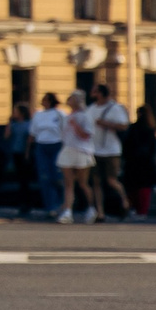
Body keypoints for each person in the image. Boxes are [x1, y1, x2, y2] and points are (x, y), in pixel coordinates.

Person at [90, 81, 131, 220]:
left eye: (95, 91)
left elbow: (124, 126)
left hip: (111, 151)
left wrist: (105, 123)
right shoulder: (92, 108)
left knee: (111, 181)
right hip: (95, 150)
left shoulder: (115, 108)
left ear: (100, 93)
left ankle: (125, 201)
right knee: (96, 181)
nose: (92, 93)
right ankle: (100, 212)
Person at [57, 89, 98, 223]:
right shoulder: (67, 116)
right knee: (68, 183)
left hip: (82, 151)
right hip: (68, 149)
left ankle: (91, 208)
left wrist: (76, 126)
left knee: (82, 183)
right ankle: (67, 211)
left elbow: (86, 135)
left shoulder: (85, 116)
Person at [30, 91, 67, 220]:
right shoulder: (38, 115)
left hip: (56, 145)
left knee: (57, 177)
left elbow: (65, 131)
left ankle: (62, 204)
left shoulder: (60, 114)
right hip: (42, 146)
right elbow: (33, 133)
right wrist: (28, 150)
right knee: (44, 177)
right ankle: (50, 207)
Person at [124, 98, 156, 221]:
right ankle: (143, 211)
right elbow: (154, 147)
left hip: (133, 162)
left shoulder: (133, 128)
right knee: (145, 188)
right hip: (147, 163)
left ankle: (133, 208)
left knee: (132, 187)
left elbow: (126, 144)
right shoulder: (151, 129)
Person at [2, 100, 36, 218]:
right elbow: (6, 136)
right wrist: (9, 122)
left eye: (15, 111)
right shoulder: (14, 124)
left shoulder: (28, 124)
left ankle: (27, 204)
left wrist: (27, 153)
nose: (14, 113)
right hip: (15, 153)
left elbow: (30, 140)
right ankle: (22, 203)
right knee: (20, 179)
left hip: (25, 154)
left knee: (25, 179)